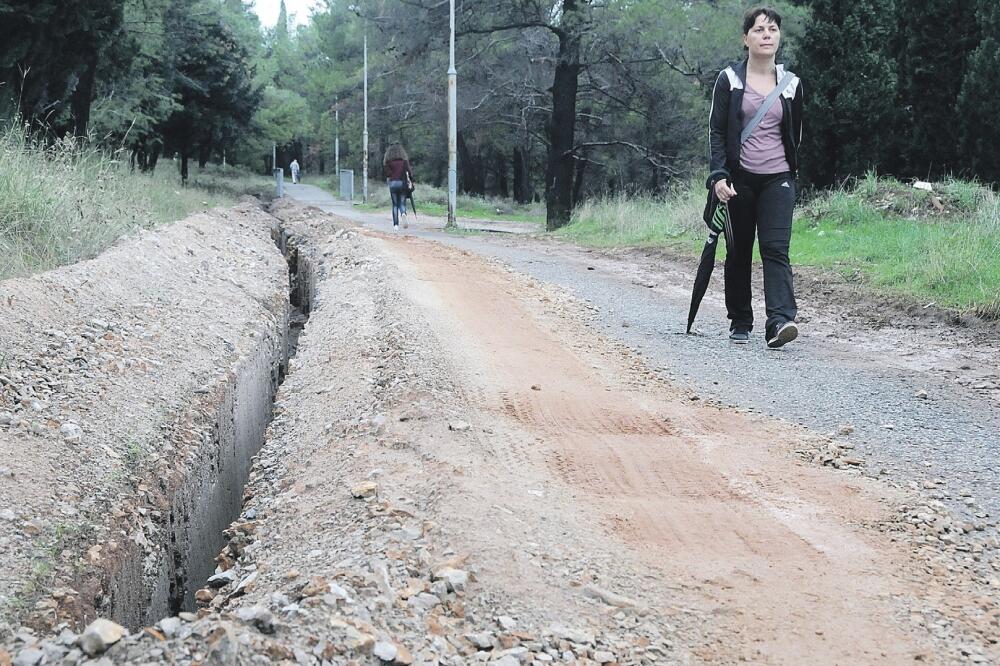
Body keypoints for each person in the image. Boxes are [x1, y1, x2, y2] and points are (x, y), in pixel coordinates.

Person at [707, 6, 803, 349]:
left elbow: (795, 134)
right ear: (745, 38)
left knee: (776, 249)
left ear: (779, 38)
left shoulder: (791, 84)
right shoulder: (729, 80)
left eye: (772, 29)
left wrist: (792, 175)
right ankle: (740, 320)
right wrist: (719, 176)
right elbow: (717, 132)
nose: (767, 35)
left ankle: (780, 321)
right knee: (739, 250)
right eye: (759, 29)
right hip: (739, 179)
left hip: (778, 179)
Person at [383, 144, 412, 229]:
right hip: (402, 183)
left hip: (393, 183)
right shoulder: (404, 162)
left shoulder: (388, 162)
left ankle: (395, 225)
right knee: (402, 203)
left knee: (395, 204)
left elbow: (387, 174)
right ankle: (403, 213)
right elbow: (409, 173)